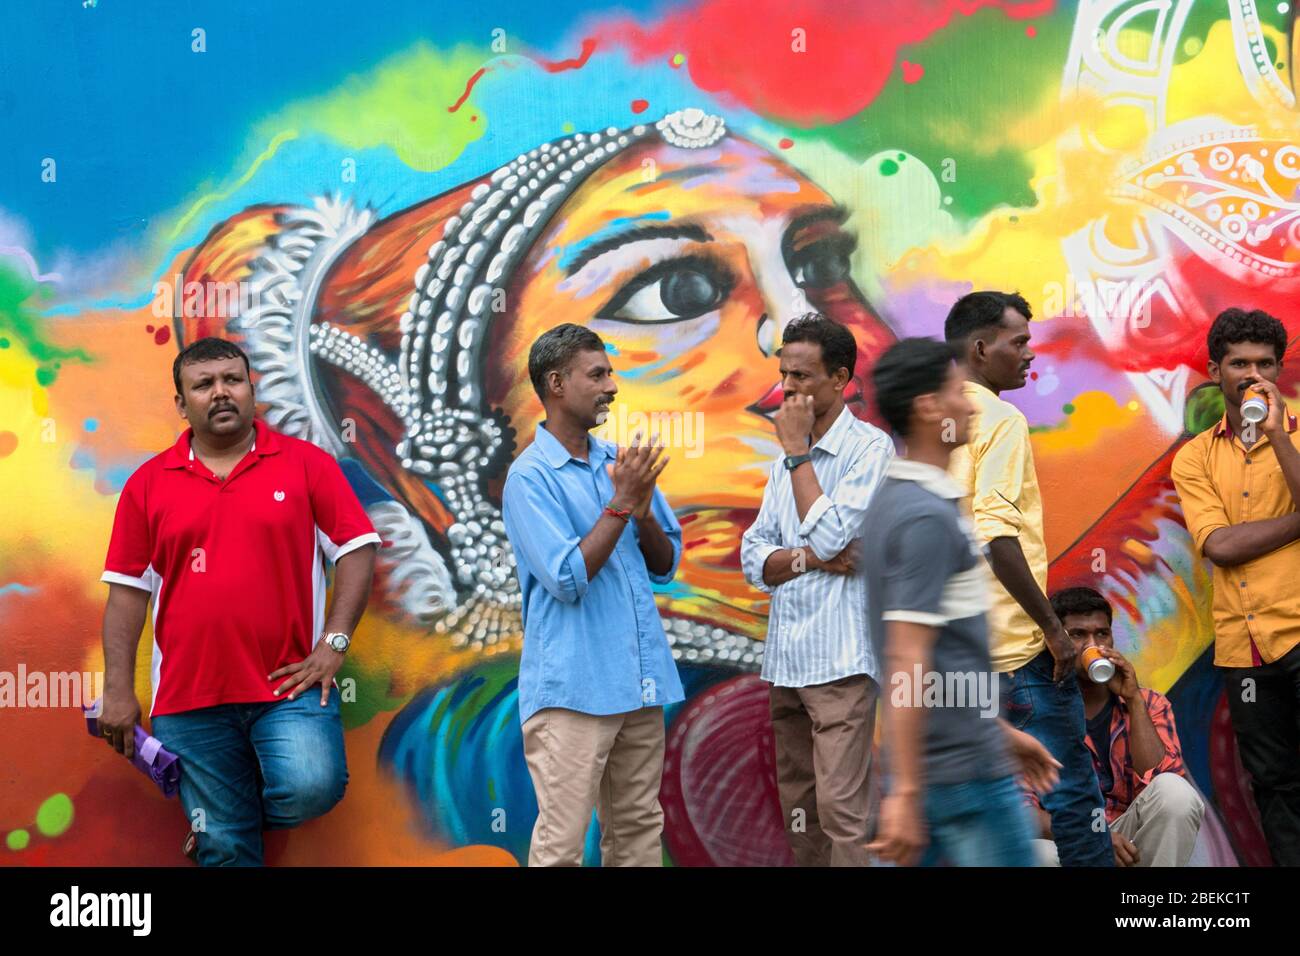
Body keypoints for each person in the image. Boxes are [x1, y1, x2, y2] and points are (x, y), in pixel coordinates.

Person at [98, 337, 381, 866]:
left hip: (289, 687)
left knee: (311, 786)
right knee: (227, 851)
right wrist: (117, 689)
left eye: (232, 380)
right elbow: (126, 593)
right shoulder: (147, 484)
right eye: (203, 385)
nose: (220, 393)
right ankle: (220, 828)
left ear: (252, 389)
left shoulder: (305, 464)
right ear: (183, 404)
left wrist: (334, 642)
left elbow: (357, 549)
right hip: (188, 698)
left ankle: (223, 819)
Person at [862, 337, 1059, 867]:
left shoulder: (900, 504)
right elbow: (906, 661)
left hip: (957, 767)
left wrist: (995, 730)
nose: (970, 404)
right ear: (929, 408)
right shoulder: (925, 516)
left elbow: (939, 658)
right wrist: (903, 793)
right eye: (956, 391)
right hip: (962, 782)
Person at [501, 323, 685, 866]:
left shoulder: (617, 463)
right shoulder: (529, 478)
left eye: (610, 373)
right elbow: (566, 578)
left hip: (639, 683)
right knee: (561, 845)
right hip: (573, 692)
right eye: (598, 374)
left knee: (637, 834)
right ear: (556, 383)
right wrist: (623, 503)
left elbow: (666, 564)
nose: (612, 386)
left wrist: (644, 512)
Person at [944, 291, 1113, 866]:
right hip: (1017, 652)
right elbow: (997, 537)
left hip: (959, 651)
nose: (1028, 355)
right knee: (1073, 796)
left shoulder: (933, 417)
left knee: (980, 802)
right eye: (1018, 343)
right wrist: (1053, 630)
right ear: (980, 346)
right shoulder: (1000, 419)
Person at [740, 313, 893, 866]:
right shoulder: (785, 456)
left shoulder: (869, 450)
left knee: (841, 810)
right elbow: (754, 557)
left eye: (803, 376)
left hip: (841, 661)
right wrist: (809, 558)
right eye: (785, 375)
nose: (790, 388)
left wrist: (799, 454)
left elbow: (833, 535)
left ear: (841, 379)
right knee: (800, 807)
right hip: (787, 658)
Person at [1170, 307, 1300, 866]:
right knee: (1273, 784)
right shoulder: (1194, 457)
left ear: (1278, 370)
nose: (1252, 374)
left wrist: (1277, 435)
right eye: (1238, 363)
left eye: (1265, 364)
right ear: (1214, 370)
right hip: (1242, 650)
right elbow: (1219, 546)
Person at [1031, 587, 1204, 867]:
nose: (1093, 645)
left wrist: (1133, 699)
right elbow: (1021, 810)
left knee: (1176, 792)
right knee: (1035, 854)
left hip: (1131, 847)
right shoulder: (1034, 712)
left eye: (1101, 633)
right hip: (1070, 844)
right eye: (1077, 635)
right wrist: (1092, 835)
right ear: (1054, 643)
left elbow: (1165, 782)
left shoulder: (1149, 702)